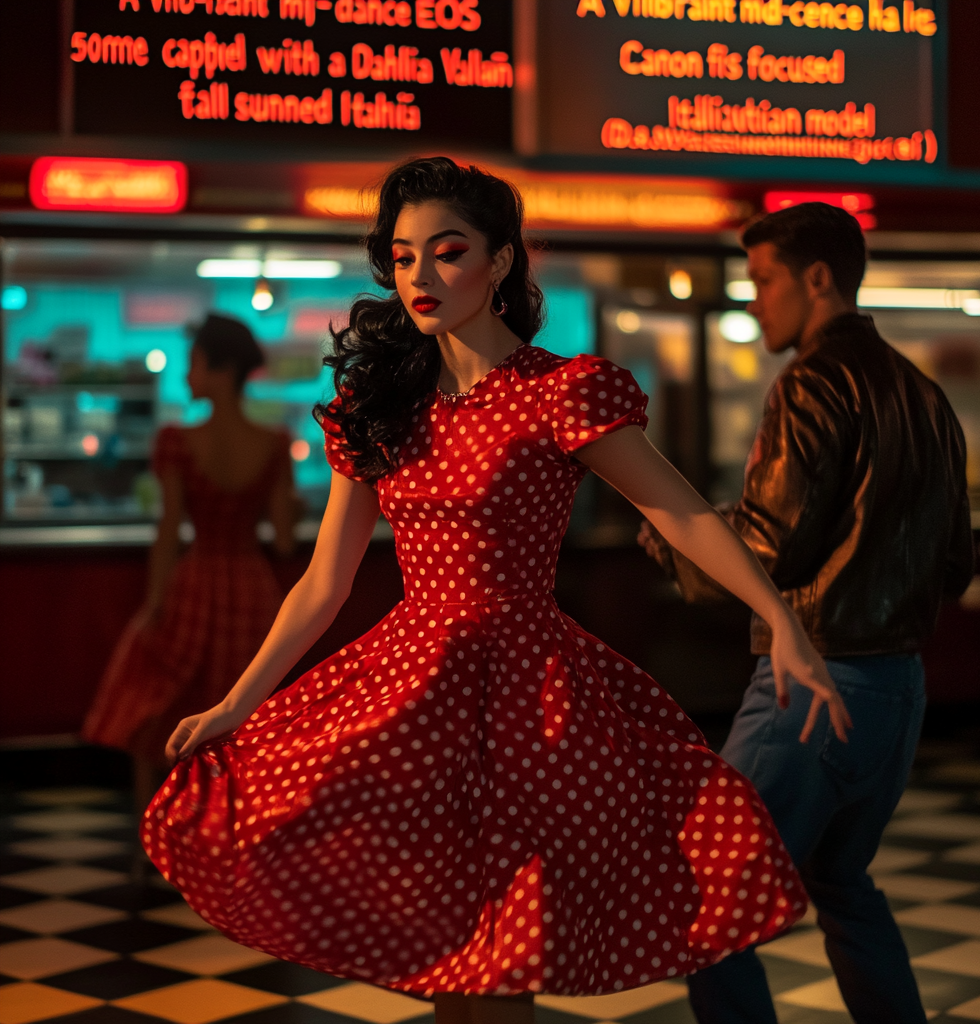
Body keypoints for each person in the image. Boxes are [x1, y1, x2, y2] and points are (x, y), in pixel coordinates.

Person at [141, 158, 850, 1024]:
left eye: (446, 252)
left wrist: (782, 621)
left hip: (528, 701)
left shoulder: (560, 391)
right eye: (403, 258)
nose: (421, 278)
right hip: (412, 696)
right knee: (451, 961)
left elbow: (684, 515)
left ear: (501, 261)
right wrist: (238, 703)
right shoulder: (380, 402)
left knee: (504, 962)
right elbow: (324, 581)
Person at [638, 202, 974, 1024]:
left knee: (709, 897)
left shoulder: (813, 382)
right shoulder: (923, 392)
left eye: (762, 282)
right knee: (842, 885)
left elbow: (770, 547)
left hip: (810, 686)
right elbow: (955, 565)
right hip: (899, 688)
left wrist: (671, 533)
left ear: (816, 279)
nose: (754, 304)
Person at [83, 314, 297, 815]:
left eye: (195, 364)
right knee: (245, 713)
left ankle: (155, 837)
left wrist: (156, 605)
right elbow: (285, 541)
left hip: (194, 580)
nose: (186, 375)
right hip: (250, 586)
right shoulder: (273, 444)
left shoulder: (177, 441)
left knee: (155, 706)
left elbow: (169, 529)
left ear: (221, 370)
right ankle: (234, 833)